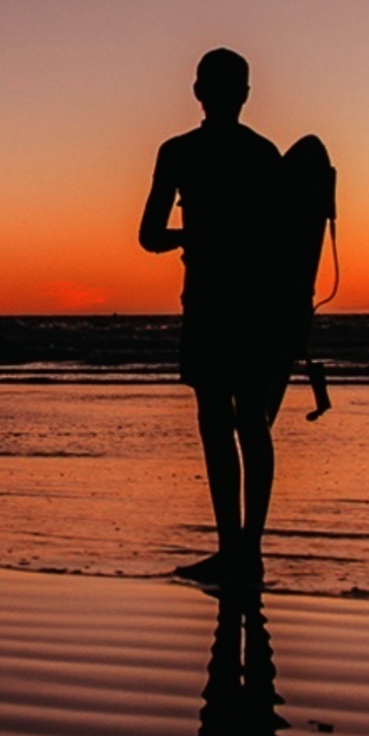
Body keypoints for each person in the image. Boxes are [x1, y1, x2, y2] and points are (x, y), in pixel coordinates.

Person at [140, 48, 291, 587]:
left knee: (216, 422)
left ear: (197, 92)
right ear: (245, 94)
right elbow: (287, 246)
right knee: (252, 421)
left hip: (207, 302)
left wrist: (195, 235)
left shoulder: (178, 153)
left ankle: (234, 549)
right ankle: (248, 550)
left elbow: (149, 236)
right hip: (257, 307)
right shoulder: (265, 155)